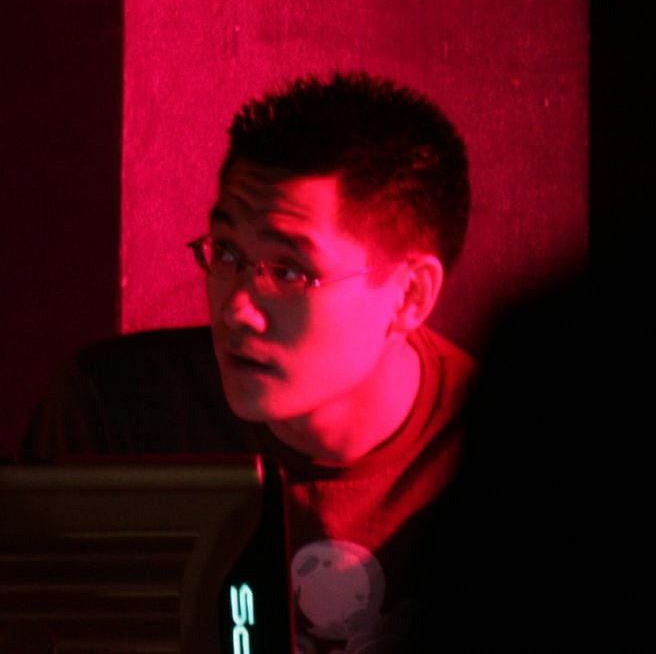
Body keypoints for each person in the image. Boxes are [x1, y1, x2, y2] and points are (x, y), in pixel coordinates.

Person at [23, 72, 476, 653]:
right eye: (228, 253)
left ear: (410, 295)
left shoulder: (499, 449)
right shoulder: (119, 411)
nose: (237, 307)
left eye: (288, 271)